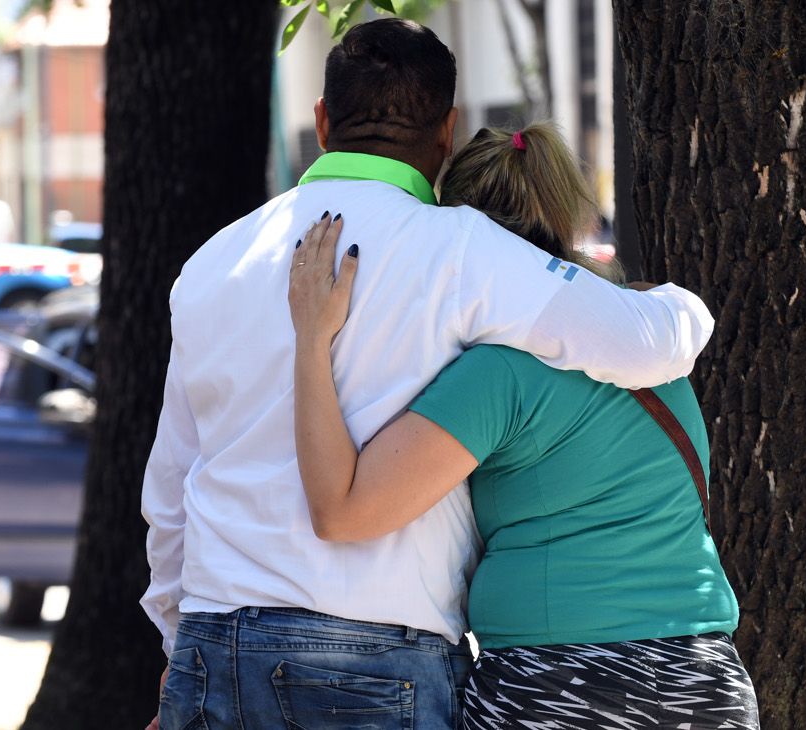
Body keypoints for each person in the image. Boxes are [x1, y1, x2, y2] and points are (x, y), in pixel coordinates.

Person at [141, 20, 716, 730]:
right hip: (371, 656)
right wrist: (685, 307)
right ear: (447, 132)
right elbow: (640, 345)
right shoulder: (461, 253)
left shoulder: (214, 261)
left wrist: (179, 643)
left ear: (322, 122)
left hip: (211, 639)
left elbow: (171, 489)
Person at [287, 123, 759, 729]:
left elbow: (344, 510)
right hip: (704, 680)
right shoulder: (650, 348)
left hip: (562, 686)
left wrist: (311, 338)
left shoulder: (500, 375)